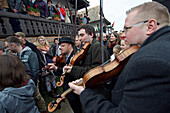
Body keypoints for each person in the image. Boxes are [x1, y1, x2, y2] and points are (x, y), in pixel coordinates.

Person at [69, 1, 170, 113]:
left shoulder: (147, 61)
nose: (122, 34)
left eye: (127, 28)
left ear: (150, 26)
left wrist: (85, 94)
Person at [5, 36, 47, 113]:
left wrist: (31, 83)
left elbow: (35, 70)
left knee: (37, 98)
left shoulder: (30, 53)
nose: (7, 49)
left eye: (8, 46)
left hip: (31, 82)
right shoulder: (13, 56)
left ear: (13, 45)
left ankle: (43, 110)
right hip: (21, 84)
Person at [49, 36, 82, 113]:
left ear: (70, 45)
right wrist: (56, 68)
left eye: (63, 46)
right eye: (60, 46)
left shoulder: (77, 56)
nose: (60, 48)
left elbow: (74, 73)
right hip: (67, 88)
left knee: (78, 108)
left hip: (74, 89)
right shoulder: (65, 56)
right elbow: (64, 71)